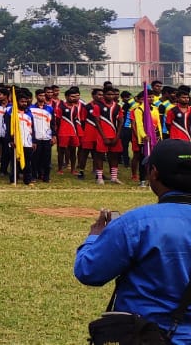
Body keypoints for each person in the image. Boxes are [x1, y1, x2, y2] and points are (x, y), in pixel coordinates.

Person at [75, 139, 191, 343]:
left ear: (154, 173)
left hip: (148, 335)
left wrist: (94, 236)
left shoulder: (137, 223)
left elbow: (89, 271)